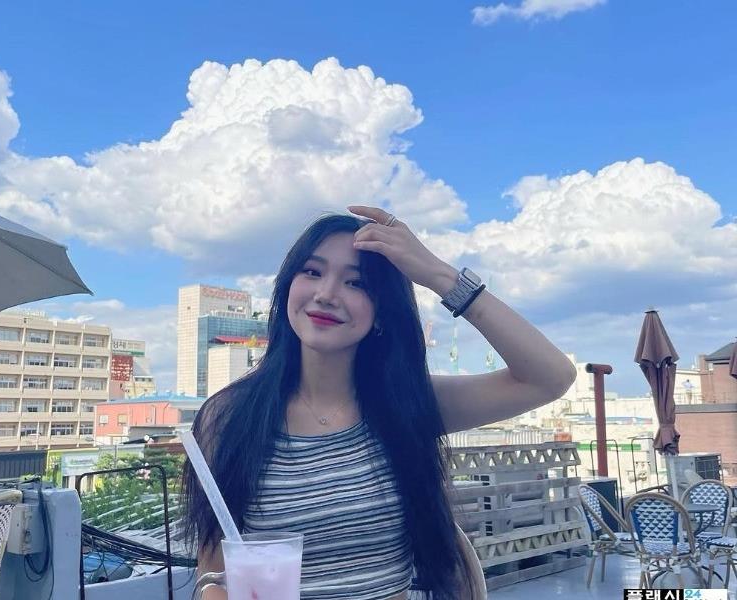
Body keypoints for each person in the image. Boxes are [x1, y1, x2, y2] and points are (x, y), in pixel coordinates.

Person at [182, 205, 576, 599]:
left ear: (382, 310)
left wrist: (437, 275)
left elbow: (551, 377)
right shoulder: (229, 416)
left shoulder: (409, 402)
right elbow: (214, 566)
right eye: (312, 272)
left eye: (356, 283)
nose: (326, 294)